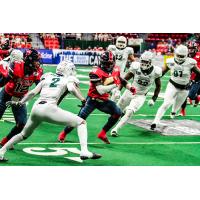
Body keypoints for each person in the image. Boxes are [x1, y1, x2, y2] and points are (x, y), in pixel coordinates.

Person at [0, 60, 101, 162]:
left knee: (23, 135)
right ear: (68, 70)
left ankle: (2, 151)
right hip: (49, 108)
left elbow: (33, 92)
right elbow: (71, 88)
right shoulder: (68, 79)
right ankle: (84, 151)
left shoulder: (47, 76)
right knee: (81, 122)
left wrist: (20, 102)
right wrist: (82, 99)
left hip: (36, 108)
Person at [58, 51, 136, 144]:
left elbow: (121, 80)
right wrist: (115, 85)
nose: (109, 66)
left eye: (110, 63)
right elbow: (100, 90)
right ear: (102, 62)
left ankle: (102, 133)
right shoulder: (95, 72)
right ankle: (63, 134)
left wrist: (129, 87)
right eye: (106, 63)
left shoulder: (115, 69)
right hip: (92, 100)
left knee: (117, 113)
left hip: (104, 100)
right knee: (79, 119)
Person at [111, 51, 161, 136]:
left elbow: (158, 86)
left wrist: (153, 99)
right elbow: (124, 79)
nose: (143, 63)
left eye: (146, 62)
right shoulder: (136, 67)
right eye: (143, 61)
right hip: (129, 91)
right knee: (116, 112)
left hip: (140, 96)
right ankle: (108, 127)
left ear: (151, 62)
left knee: (130, 112)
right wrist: (118, 90)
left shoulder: (156, 71)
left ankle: (116, 129)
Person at [0, 48, 43, 147]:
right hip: (7, 95)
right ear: (30, 60)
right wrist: (7, 75)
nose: (38, 63)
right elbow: (1, 83)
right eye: (36, 60)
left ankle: (5, 141)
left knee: (22, 124)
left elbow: (40, 87)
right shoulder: (17, 66)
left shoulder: (37, 71)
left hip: (20, 98)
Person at [151, 44, 200, 130]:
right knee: (166, 103)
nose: (179, 57)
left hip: (185, 88)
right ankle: (155, 121)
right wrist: (153, 78)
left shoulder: (191, 62)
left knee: (176, 107)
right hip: (172, 85)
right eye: (178, 55)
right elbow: (162, 73)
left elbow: (199, 73)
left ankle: (173, 112)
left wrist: (194, 81)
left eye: (182, 56)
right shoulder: (170, 61)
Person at [107, 36, 135, 102]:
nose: (121, 43)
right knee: (108, 88)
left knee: (115, 89)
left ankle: (112, 102)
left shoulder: (128, 50)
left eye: (122, 42)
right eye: (119, 41)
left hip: (121, 72)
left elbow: (133, 60)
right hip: (111, 71)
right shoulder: (112, 48)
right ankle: (113, 93)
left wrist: (132, 65)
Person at [180, 41, 200, 116]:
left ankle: (197, 99)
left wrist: (194, 80)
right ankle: (182, 111)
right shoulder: (185, 57)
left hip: (197, 78)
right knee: (183, 94)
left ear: (196, 49)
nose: (190, 51)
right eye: (189, 49)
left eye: (192, 49)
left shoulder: (199, 56)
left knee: (191, 95)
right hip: (187, 78)